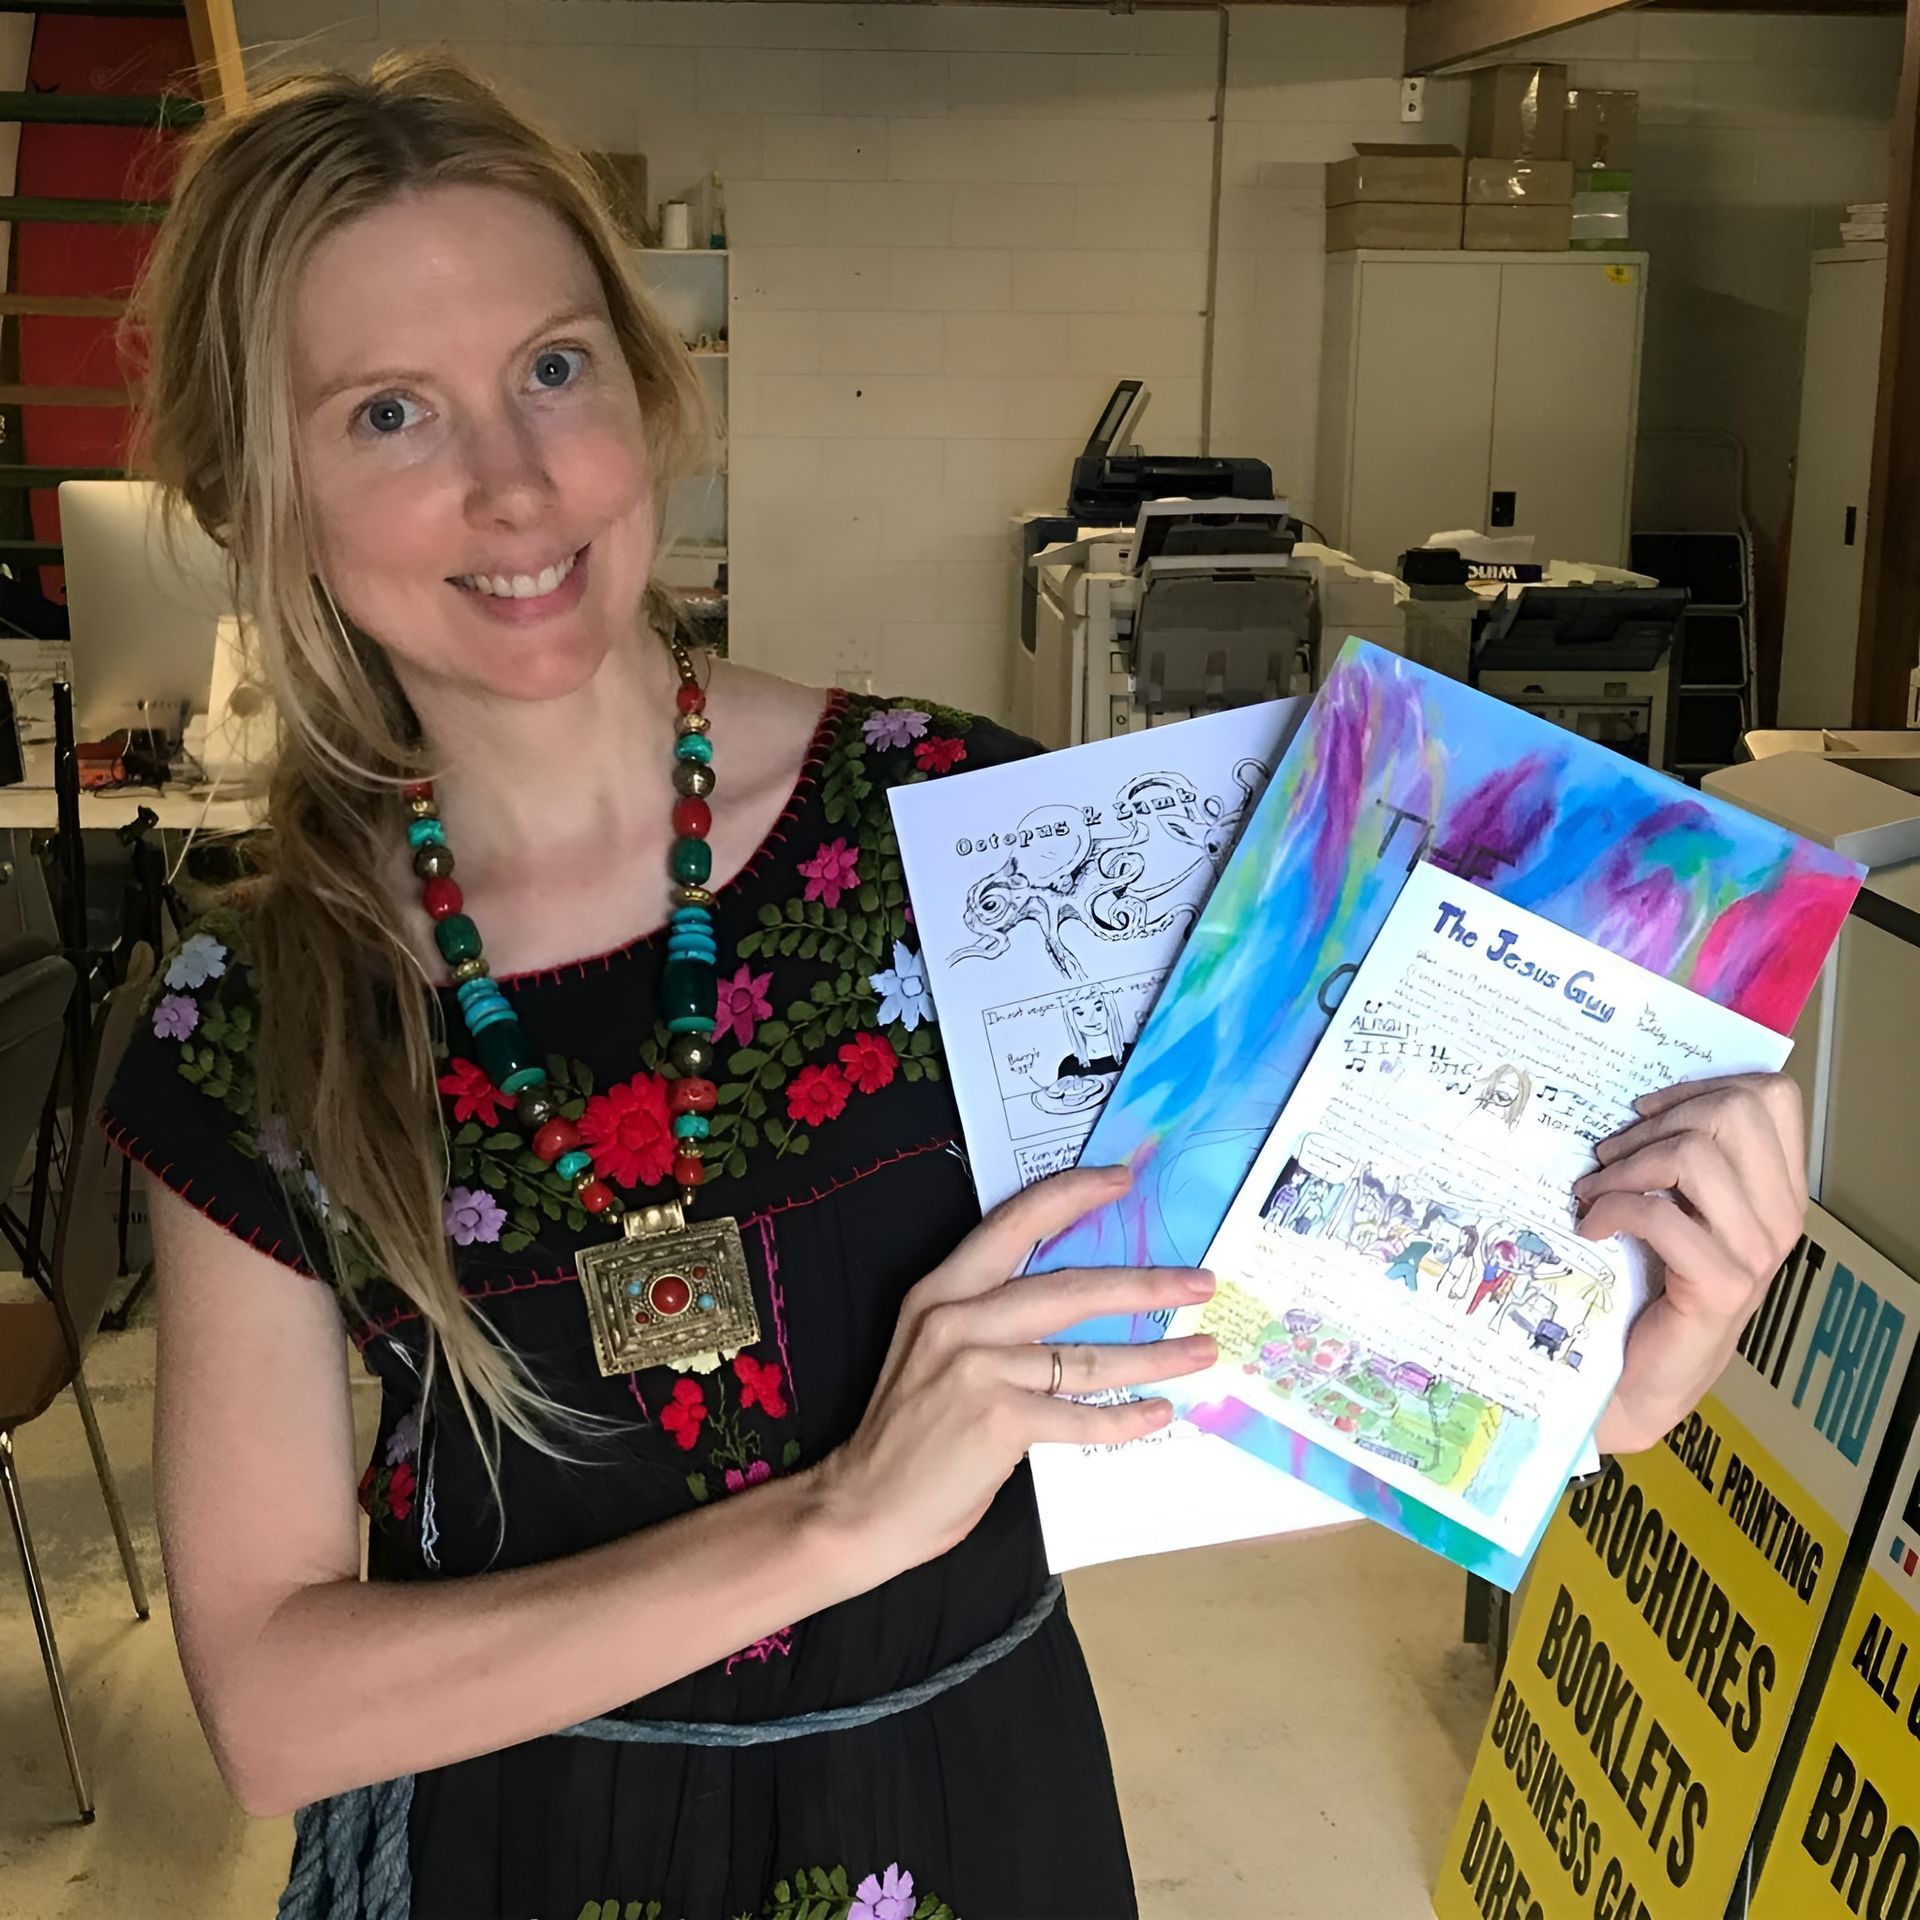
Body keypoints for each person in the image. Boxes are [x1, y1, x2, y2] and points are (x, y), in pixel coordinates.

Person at [101, 53, 1812, 1920]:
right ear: (266, 492)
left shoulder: (970, 829)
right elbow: (269, 1702)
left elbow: (1315, 1289)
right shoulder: (264, 1004)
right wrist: (845, 1517)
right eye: (389, 415)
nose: (513, 483)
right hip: (533, 1855)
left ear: (650, 388)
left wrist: (1604, 1371)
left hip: (973, 1823)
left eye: (553, 368)